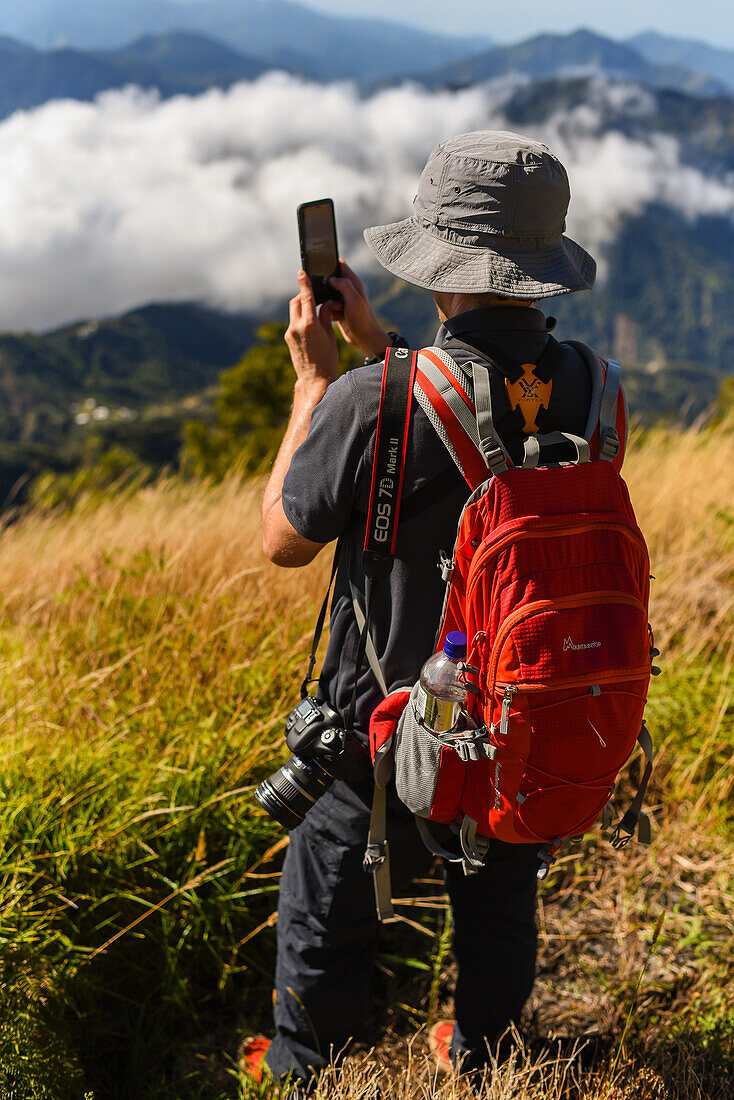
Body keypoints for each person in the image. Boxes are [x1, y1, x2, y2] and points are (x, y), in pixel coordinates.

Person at [252, 130, 599, 1087]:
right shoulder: (596, 390)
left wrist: (317, 386)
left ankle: (304, 1068)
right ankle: (486, 1057)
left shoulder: (368, 402)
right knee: (499, 895)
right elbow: (493, 422)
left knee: (329, 901)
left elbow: (282, 539)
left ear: (439, 259)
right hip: (522, 709)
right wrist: (380, 353)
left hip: (388, 718)